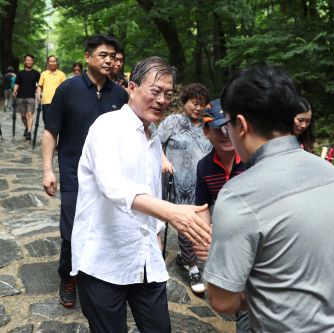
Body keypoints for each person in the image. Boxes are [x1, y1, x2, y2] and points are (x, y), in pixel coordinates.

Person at [203, 64, 334, 332]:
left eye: (229, 124)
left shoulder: (239, 195)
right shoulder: (327, 171)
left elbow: (222, 300)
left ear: (241, 125)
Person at [71, 56, 211, 333]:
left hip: (146, 258)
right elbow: (112, 184)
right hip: (103, 259)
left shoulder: (153, 135)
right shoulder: (107, 126)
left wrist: (157, 233)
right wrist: (170, 212)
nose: (162, 100)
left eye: (168, 94)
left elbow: (150, 187)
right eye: (155, 91)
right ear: (132, 88)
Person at [42, 34, 129, 308]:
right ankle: (69, 276)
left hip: (110, 177)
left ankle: (97, 276)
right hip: (72, 173)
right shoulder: (68, 89)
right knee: (71, 230)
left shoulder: (120, 94)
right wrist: (47, 169)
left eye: (112, 56)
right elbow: (50, 131)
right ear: (87, 56)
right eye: (103, 55)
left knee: (105, 227)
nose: (109, 60)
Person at [192, 99, 248, 333]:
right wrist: (205, 242)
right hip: (229, 242)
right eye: (217, 129)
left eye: (229, 127)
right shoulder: (205, 167)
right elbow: (203, 207)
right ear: (206, 132)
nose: (225, 135)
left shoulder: (252, 160)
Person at [156, 83, 211, 294]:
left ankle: (184, 258)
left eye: (202, 105)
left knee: (202, 225)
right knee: (186, 225)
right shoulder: (173, 121)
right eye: (194, 103)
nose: (198, 108)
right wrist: (162, 160)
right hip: (177, 183)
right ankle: (193, 267)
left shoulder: (209, 125)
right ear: (185, 102)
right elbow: (154, 142)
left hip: (202, 183)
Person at [13, 54, 40, 141]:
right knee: (23, 116)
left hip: (31, 97)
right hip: (20, 96)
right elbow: (17, 83)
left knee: (30, 114)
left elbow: (39, 85)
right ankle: (26, 127)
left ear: (33, 62)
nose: (29, 61)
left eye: (31, 60)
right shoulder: (20, 73)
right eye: (27, 60)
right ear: (25, 61)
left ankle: (29, 131)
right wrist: (15, 90)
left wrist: (39, 93)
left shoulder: (36, 73)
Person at [37, 55, 66, 124]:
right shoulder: (44, 74)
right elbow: (39, 86)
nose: (52, 63)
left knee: (56, 122)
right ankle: (48, 134)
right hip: (46, 102)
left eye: (54, 61)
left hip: (58, 102)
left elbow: (66, 88)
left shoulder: (62, 74)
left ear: (57, 63)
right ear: (48, 63)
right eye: (50, 61)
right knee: (46, 122)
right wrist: (38, 95)